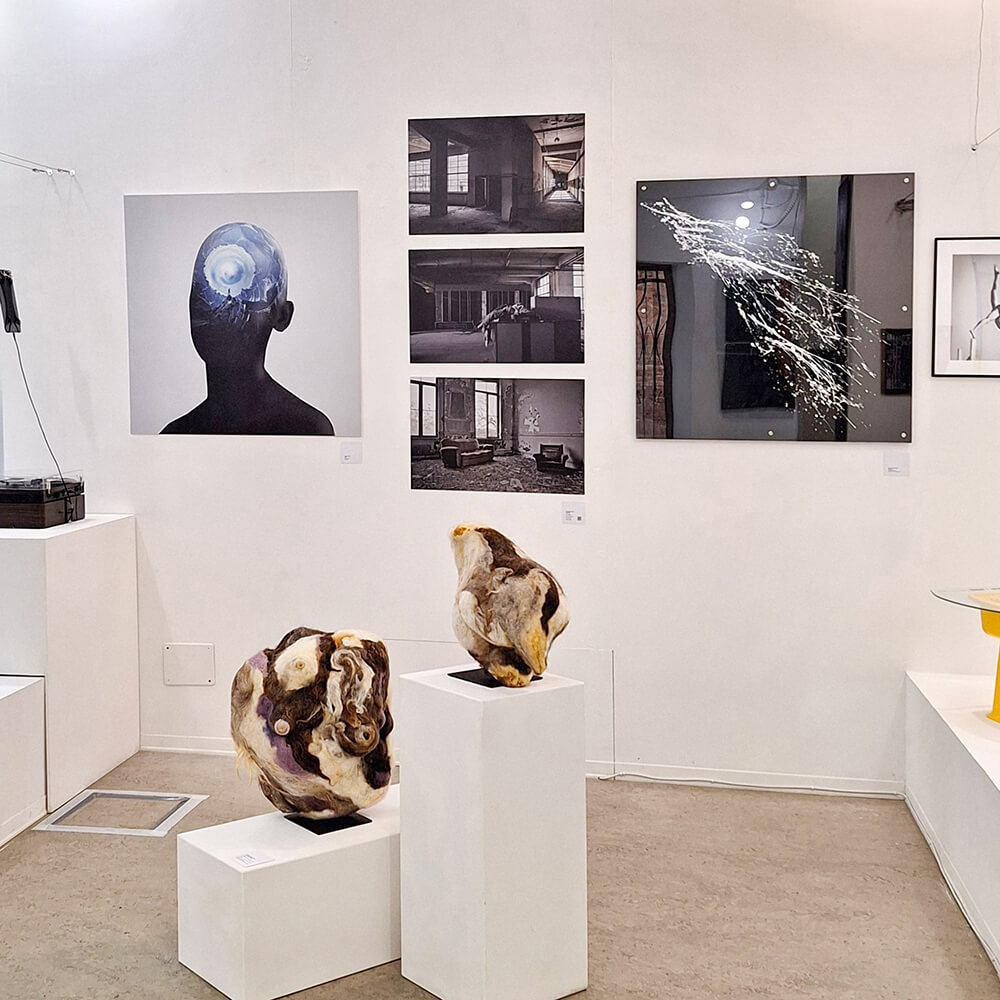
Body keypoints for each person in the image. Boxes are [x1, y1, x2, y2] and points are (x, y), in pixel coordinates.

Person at [161, 222, 334, 435]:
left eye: (246, 294)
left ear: (282, 316)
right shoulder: (175, 434)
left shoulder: (308, 430)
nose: (221, 310)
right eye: (206, 291)